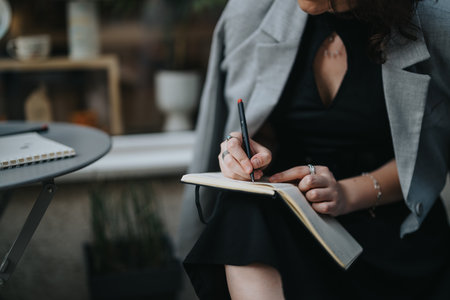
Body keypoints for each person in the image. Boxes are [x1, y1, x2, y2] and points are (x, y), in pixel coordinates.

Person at [176, 0, 450, 298]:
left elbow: (430, 157)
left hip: (392, 229)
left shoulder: (435, 20)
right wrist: (244, 151)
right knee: (242, 208)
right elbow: (263, 122)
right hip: (292, 220)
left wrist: (345, 194)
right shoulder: (252, 12)